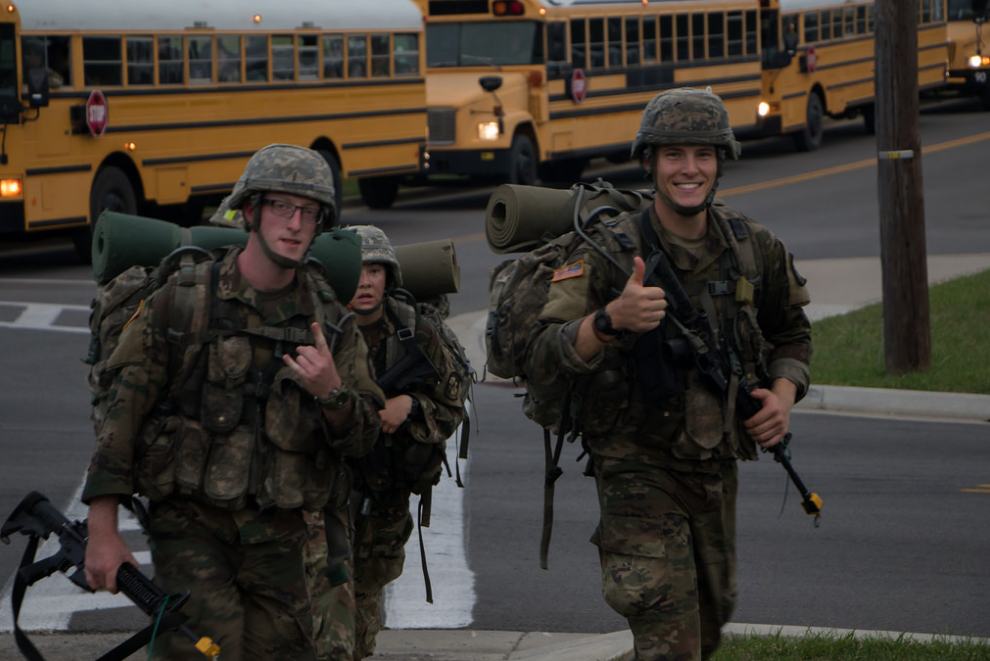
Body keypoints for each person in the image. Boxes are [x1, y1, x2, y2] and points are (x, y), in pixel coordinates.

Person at [523, 88, 812, 661]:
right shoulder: (606, 251)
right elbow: (539, 352)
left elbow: (793, 332)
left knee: (707, 624)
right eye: (674, 155)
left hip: (714, 464)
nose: (689, 169)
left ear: (719, 163)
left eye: (703, 155)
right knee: (668, 632)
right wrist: (608, 321)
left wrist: (781, 397)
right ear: (650, 162)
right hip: (635, 464)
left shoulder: (752, 247)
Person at [82, 143, 385, 661]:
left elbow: (364, 439)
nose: (294, 224)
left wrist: (332, 392)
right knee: (204, 652)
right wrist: (103, 531)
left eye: (308, 213)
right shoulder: (184, 300)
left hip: (284, 539)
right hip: (192, 529)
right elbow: (121, 421)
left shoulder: (329, 320)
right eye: (281, 208)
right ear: (249, 212)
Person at [309, 225, 467, 661]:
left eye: (375, 269)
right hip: (325, 488)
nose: (365, 281)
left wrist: (411, 407)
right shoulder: (317, 328)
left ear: (389, 276)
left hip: (385, 491)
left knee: (365, 594)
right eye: (357, 270)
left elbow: (451, 406)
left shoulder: (415, 330)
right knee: (318, 594)